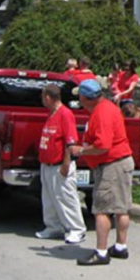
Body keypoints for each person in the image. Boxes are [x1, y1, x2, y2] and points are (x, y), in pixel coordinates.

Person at [74, 78, 135, 266]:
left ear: (86, 98)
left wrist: (82, 150)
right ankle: (120, 246)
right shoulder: (107, 107)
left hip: (112, 165)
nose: (80, 100)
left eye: (81, 97)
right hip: (121, 161)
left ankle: (101, 252)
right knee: (121, 207)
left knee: (102, 209)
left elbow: (103, 145)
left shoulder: (101, 113)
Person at [36, 84, 86, 244]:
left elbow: (70, 141)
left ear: (48, 98)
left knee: (66, 197)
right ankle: (53, 227)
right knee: (49, 198)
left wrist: (66, 164)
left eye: (43, 97)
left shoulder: (65, 114)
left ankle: (77, 229)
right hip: (47, 164)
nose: (42, 100)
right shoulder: (51, 114)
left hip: (60, 165)